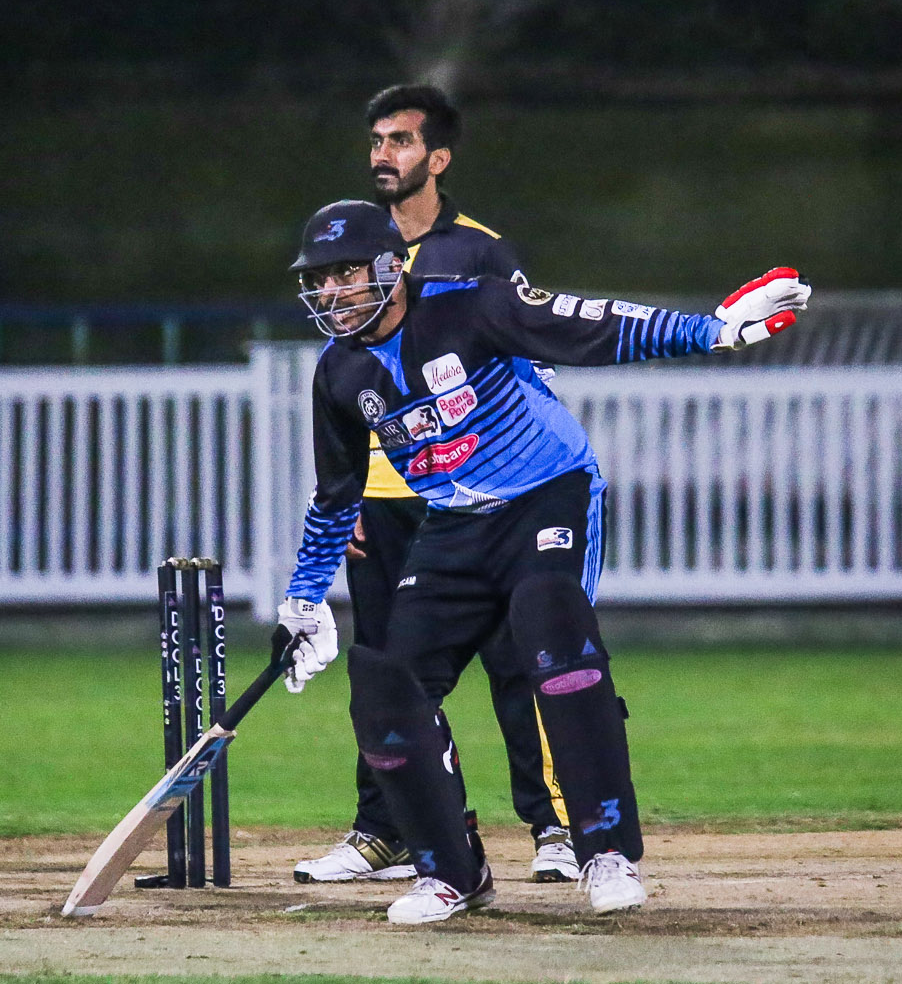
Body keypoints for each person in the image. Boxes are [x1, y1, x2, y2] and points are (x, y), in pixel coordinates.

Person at [278, 198, 807, 923]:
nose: (332, 292)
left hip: (546, 493)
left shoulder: (470, 306)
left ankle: (605, 852)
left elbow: (596, 325)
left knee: (552, 629)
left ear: (389, 266)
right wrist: (304, 599)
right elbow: (336, 495)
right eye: (319, 279)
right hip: (454, 521)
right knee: (386, 685)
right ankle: (451, 872)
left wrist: (712, 329)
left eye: (345, 274)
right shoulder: (338, 374)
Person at [294, 85, 578, 887]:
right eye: (376, 140)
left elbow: (530, 358)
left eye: (401, 141)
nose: (383, 153)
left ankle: (554, 825)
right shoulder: (349, 245)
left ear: (438, 157)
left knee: (518, 656)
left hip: (476, 492)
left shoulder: (479, 252)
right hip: (385, 501)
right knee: (387, 668)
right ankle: (388, 829)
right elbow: (351, 386)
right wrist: (347, 499)